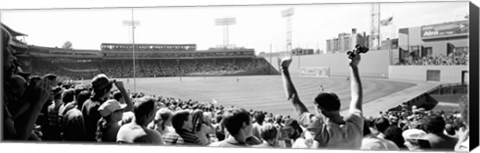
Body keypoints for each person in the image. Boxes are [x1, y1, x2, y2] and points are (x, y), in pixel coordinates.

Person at [279, 52, 363, 149]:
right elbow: (357, 96)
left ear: (320, 110)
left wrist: (284, 69)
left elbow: (293, 98)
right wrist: (354, 67)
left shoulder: (321, 131)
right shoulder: (356, 125)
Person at [82, 74, 132, 141]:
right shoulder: (101, 107)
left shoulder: (86, 103)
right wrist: (122, 89)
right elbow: (130, 107)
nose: (110, 92)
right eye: (109, 90)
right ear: (105, 90)